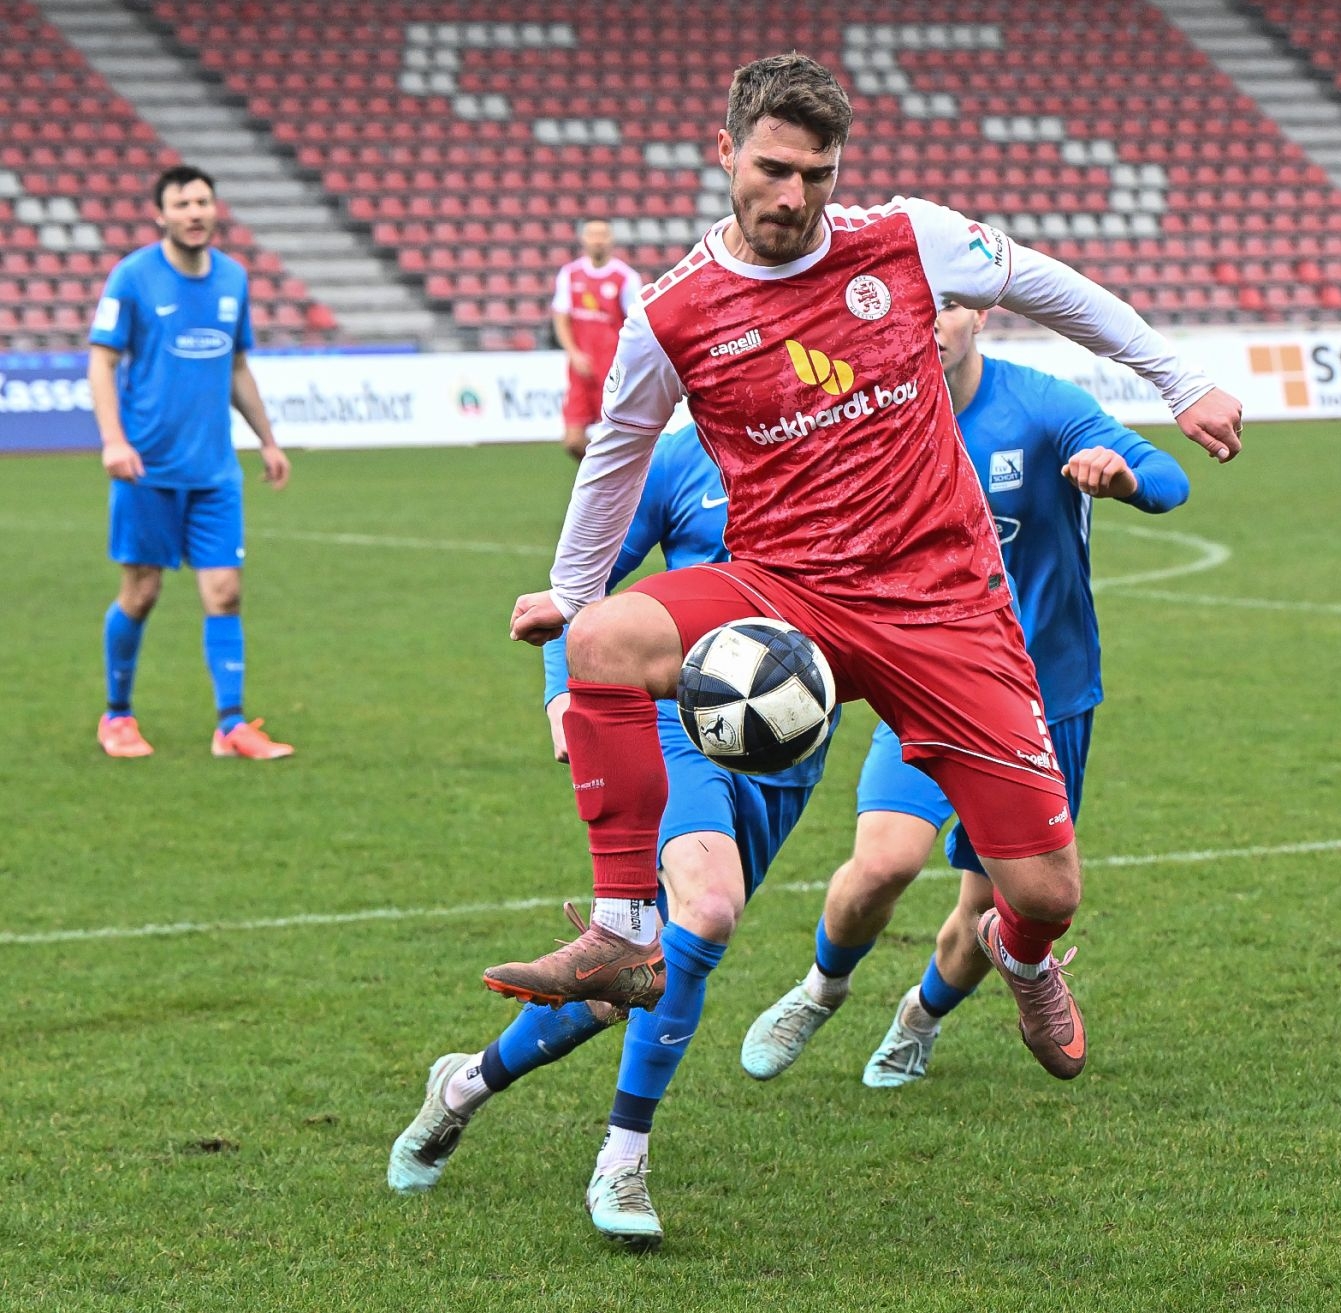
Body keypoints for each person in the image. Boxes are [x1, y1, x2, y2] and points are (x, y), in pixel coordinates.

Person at [485, 53, 1241, 1087]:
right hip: (787, 590)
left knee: (1048, 889)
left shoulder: (907, 238)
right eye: (773, 169)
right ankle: (624, 929)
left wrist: (1182, 379)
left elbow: (1052, 288)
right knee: (602, 639)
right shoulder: (673, 312)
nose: (793, 195)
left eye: (817, 173)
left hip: (945, 609)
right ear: (726, 153)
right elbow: (617, 450)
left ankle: (1020, 952)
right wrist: (573, 590)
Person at [390, 424, 836, 1249]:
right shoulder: (677, 457)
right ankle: (622, 1158)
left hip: (789, 743)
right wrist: (565, 695)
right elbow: (583, 587)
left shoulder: (844, 442)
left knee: (640, 973)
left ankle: (461, 1087)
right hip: (677, 727)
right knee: (704, 913)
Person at [739, 302, 1190, 1089]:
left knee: (995, 913)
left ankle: (920, 1017)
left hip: (1044, 701)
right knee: (882, 864)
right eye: (913, 306)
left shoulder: (1041, 405)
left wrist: (1123, 478)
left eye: (944, 304)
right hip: (927, 682)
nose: (928, 322)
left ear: (979, 313)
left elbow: (1170, 477)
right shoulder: (872, 419)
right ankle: (821, 990)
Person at [88, 164, 293, 760]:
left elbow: (235, 367)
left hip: (214, 471)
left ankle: (230, 726)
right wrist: (112, 440)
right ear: (161, 214)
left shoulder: (232, 278)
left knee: (225, 592)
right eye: (183, 204)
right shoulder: (132, 277)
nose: (195, 212)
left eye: (203, 201)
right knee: (141, 593)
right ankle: (117, 716)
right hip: (146, 469)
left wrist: (268, 440)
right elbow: (101, 361)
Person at [553, 218, 641, 460]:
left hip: (613, 369)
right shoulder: (570, 274)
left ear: (611, 240)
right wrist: (573, 353)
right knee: (572, 440)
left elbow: (636, 323)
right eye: (593, 235)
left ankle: (611, 485)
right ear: (583, 239)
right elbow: (561, 317)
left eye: (603, 235)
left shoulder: (625, 277)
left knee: (614, 437)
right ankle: (599, 479)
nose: (598, 240)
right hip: (580, 369)